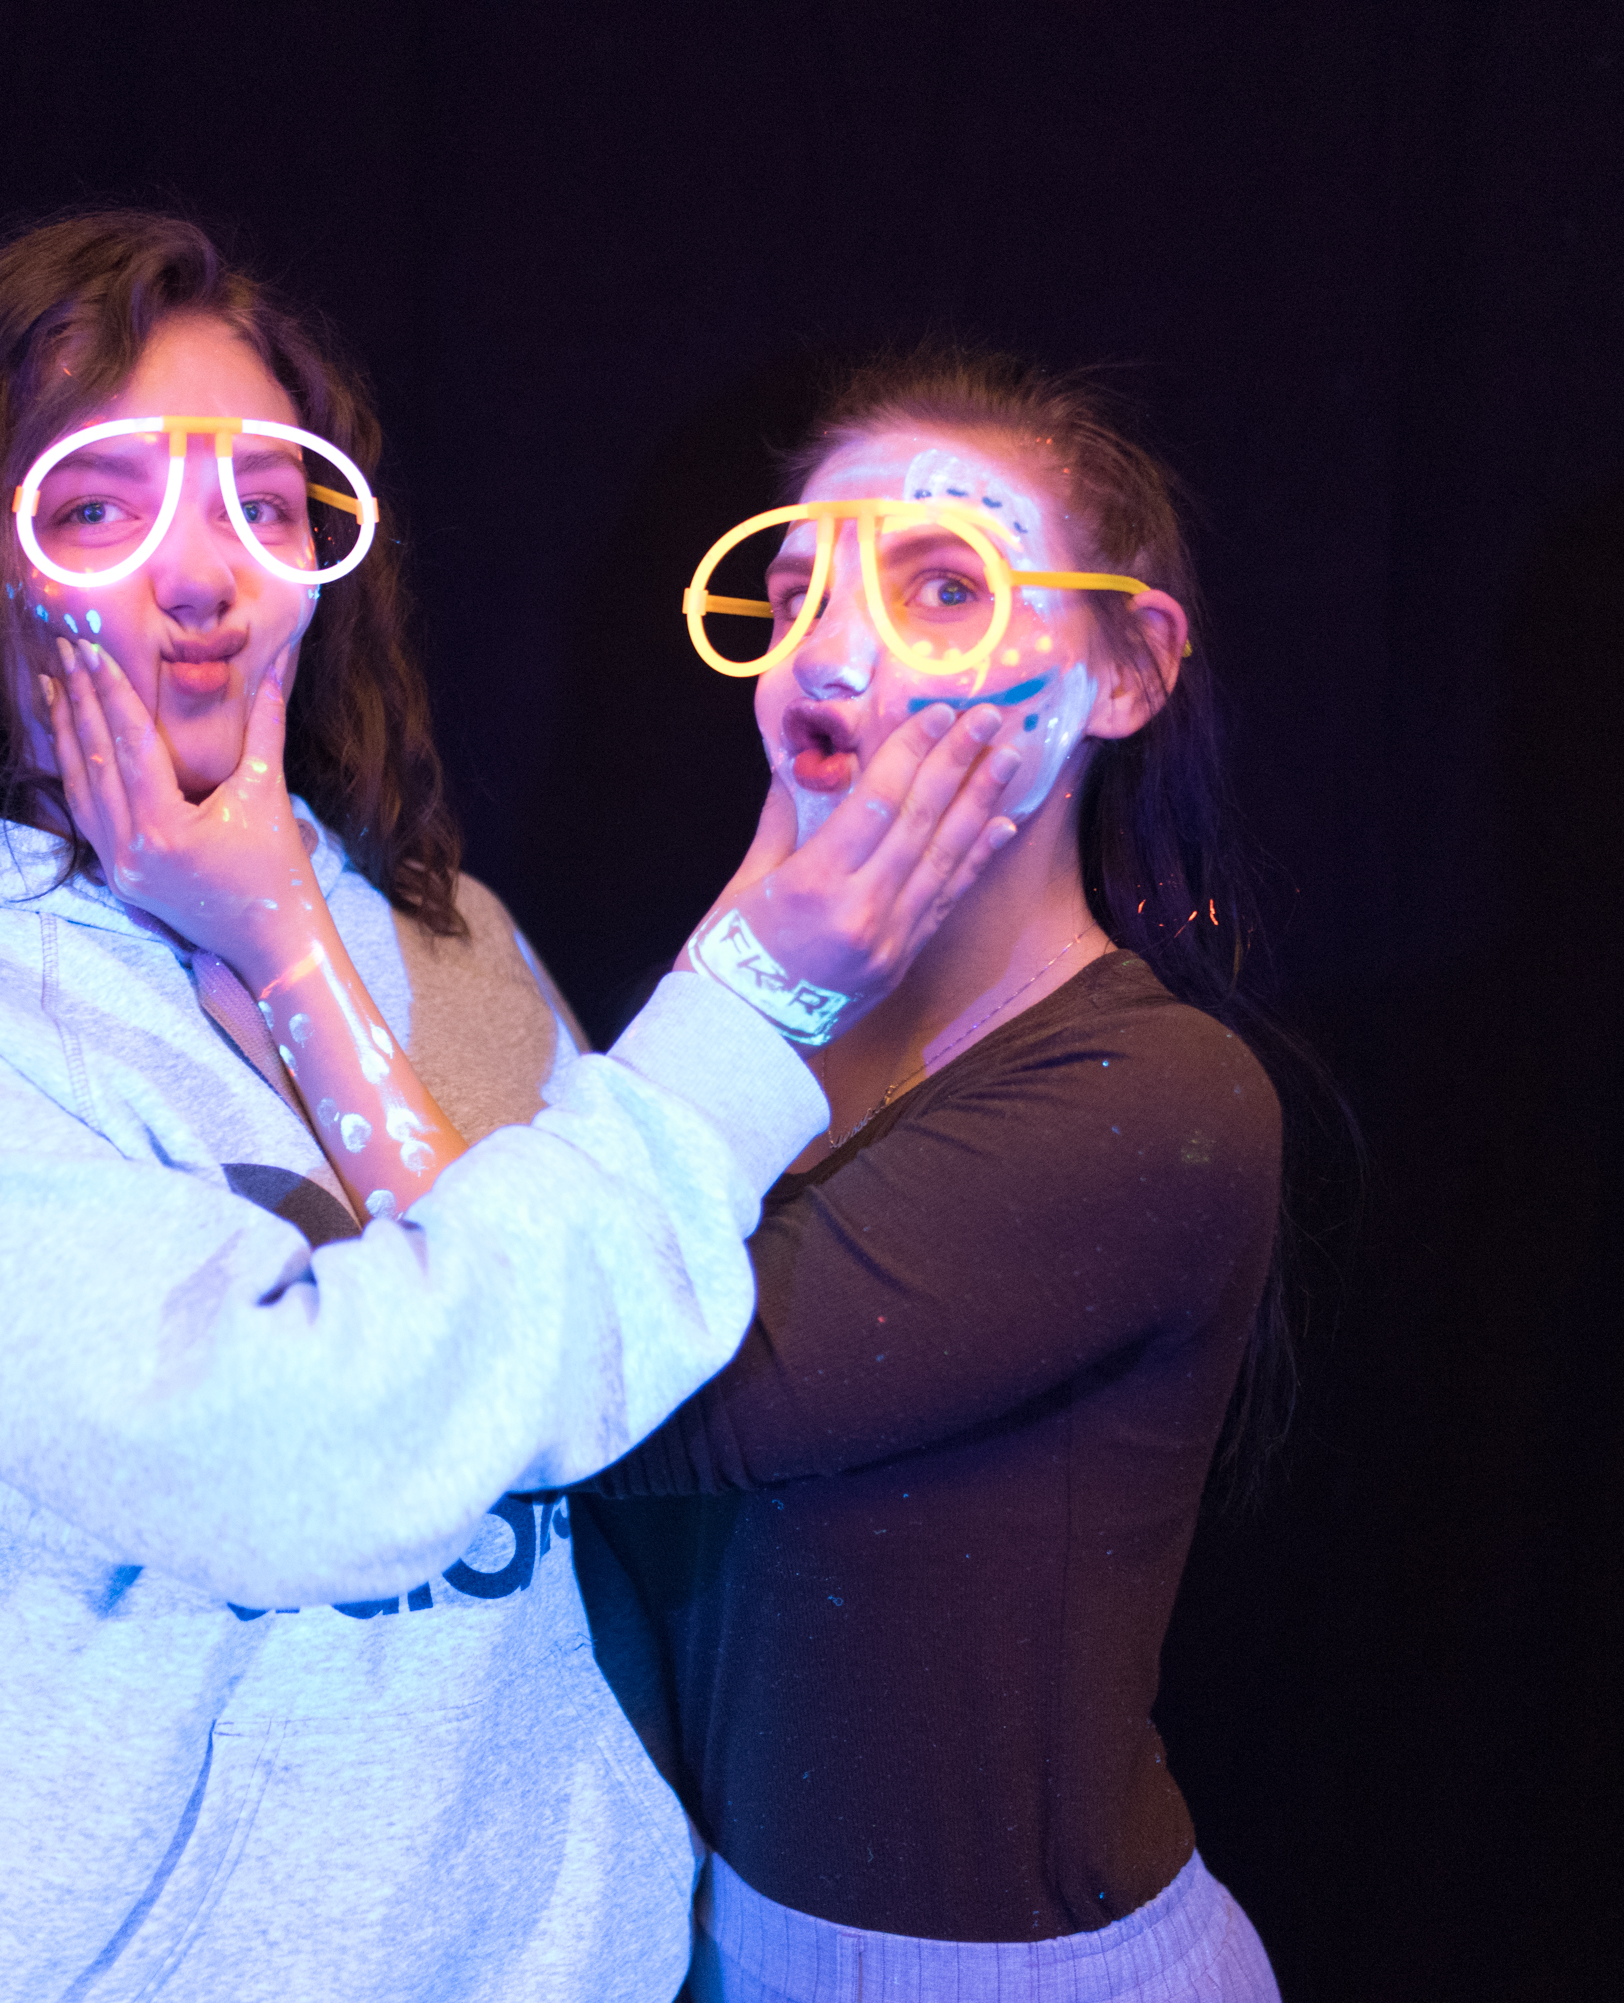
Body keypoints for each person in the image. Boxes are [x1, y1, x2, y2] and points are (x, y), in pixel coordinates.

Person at [0, 212, 1021, 2003]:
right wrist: (743, 1011)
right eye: (94, 507)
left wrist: (291, 945)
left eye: (267, 504)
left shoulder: (449, 937)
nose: (206, 576)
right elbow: (284, 1461)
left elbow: (592, 1401)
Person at [578, 350, 1301, 2002]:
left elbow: (589, 1390)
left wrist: (284, 952)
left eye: (942, 586)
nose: (833, 652)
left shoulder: (1153, 1099)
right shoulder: (739, 1059)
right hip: (719, 1947)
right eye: (798, 592)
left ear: (1126, 670)